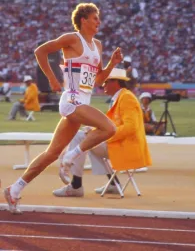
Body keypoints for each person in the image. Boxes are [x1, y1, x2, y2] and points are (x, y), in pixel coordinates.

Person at [4, 3, 123, 214]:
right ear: (83, 20)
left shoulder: (98, 45)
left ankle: (14, 189)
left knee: (51, 153)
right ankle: (71, 157)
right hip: (71, 100)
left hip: (83, 103)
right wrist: (52, 78)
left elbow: (98, 79)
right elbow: (40, 51)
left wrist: (112, 64)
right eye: (95, 18)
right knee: (110, 128)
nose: (99, 22)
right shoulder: (72, 39)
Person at [52, 68, 152, 197]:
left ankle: (76, 185)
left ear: (116, 82)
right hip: (120, 143)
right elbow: (109, 126)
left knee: (81, 139)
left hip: (126, 146)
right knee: (83, 137)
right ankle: (113, 184)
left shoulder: (126, 98)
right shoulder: (120, 97)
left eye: (106, 82)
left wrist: (104, 137)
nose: (103, 85)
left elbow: (130, 127)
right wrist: (93, 130)